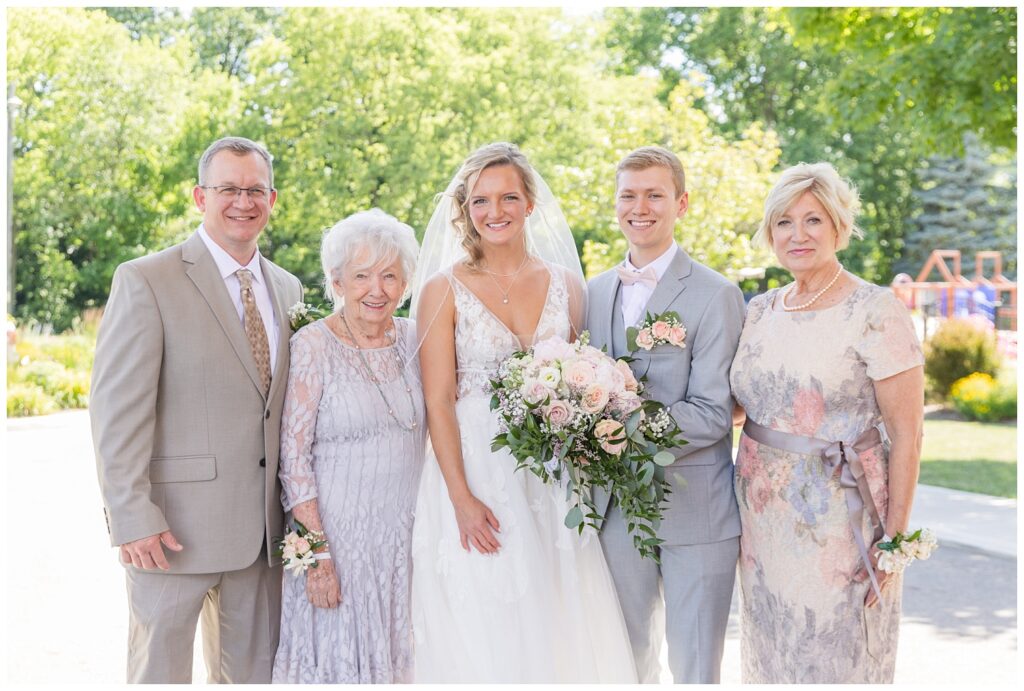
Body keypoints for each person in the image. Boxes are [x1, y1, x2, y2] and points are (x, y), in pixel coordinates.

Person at [409, 142, 637, 683]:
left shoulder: (567, 285)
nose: (495, 212)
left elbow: (587, 383)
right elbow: (437, 400)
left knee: (559, 611)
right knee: (488, 615)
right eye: (481, 200)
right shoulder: (442, 290)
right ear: (465, 209)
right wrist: (460, 498)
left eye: (509, 197)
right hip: (475, 476)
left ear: (530, 203)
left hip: (553, 480)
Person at [90, 136, 303, 682]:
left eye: (255, 190)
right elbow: (117, 414)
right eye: (227, 188)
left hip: (261, 538)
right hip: (169, 535)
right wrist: (132, 517)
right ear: (198, 196)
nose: (242, 201)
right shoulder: (146, 279)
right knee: (159, 676)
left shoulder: (288, 288)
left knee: (252, 679)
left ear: (272, 199)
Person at [731, 162, 924, 683]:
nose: (797, 235)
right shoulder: (760, 310)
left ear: (839, 227)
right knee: (771, 652)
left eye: (813, 220)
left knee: (835, 655)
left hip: (842, 519)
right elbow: (740, 404)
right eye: (783, 222)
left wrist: (896, 540)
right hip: (762, 524)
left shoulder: (875, 309)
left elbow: (907, 433)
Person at [585, 146, 746, 683]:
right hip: (614, 512)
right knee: (624, 663)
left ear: (681, 203)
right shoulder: (594, 291)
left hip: (695, 510)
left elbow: (712, 413)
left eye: (655, 194)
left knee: (695, 669)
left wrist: (621, 430)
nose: (640, 207)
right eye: (628, 195)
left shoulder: (716, 294)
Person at [272, 209, 425, 683]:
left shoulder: (416, 338)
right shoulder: (314, 345)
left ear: (405, 283)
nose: (376, 290)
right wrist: (318, 556)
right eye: (361, 276)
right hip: (339, 539)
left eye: (389, 276)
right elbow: (292, 457)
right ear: (336, 281)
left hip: (405, 539)